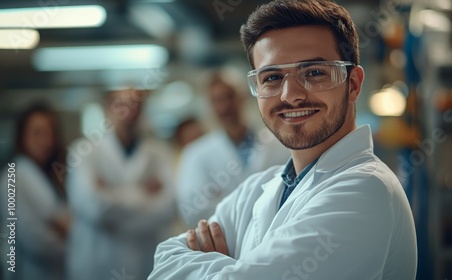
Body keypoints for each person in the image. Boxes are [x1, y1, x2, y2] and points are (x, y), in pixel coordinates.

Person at [148, 0, 417, 279]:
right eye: (272, 77)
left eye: (314, 73)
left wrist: (223, 266)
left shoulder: (365, 188)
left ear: (353, 85)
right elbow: (163, 262)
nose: (290, 95)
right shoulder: (257, 189)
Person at [65, 88, 176, 280]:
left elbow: (168, 208)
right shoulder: (83, 152)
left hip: (144, 263)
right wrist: (143, 192)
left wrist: (111, 193)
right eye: (121, 104)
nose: (129, 111)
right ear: (108, 108)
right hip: (97, 264)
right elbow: (95, 207)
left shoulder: (159, 153)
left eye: (136, 105)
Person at [176, 73, 290, 227]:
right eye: (216, 101)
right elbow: (193, 209)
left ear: (242, 97)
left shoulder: (277, 143)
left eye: (229, 97)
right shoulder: (195, 154)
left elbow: (291, 193)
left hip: (274, 232)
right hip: (224, 244)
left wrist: (222, 197)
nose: (224, 107)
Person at [1, 103, 69, 280]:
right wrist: (72, 239)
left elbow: (65, 224)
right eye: (37, 133)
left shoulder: (49, 174)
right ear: (22, 136)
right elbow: (36, 240)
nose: (46, 141)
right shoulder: (14, 177)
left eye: (50, 133)